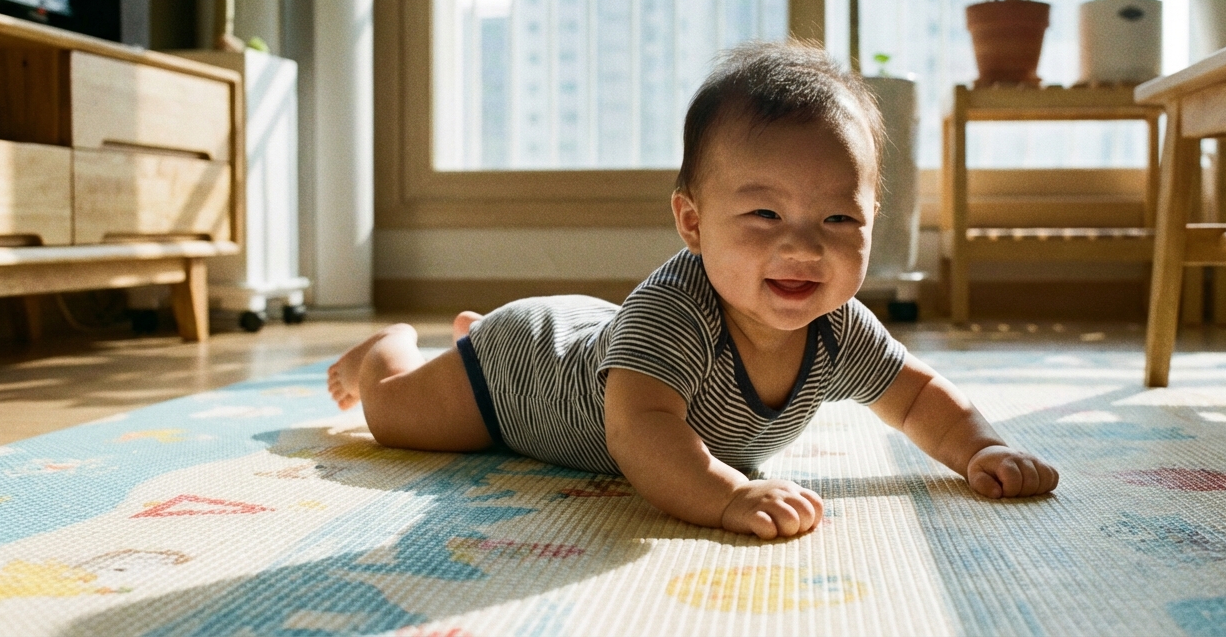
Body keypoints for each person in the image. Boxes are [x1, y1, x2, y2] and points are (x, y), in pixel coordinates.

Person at [328, 42, 1058, 540]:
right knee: (395, 419)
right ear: (693, 222)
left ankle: (463, 334)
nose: (803, 246)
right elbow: (640, 431)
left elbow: (920, 395)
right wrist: (726, 493)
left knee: (617, 354)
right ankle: (391, 350)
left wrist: (980, 449)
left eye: (839, 217)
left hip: (600, 336)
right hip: (520, 372)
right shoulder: (677, 313)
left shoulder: (840, 327)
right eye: (764, 214)